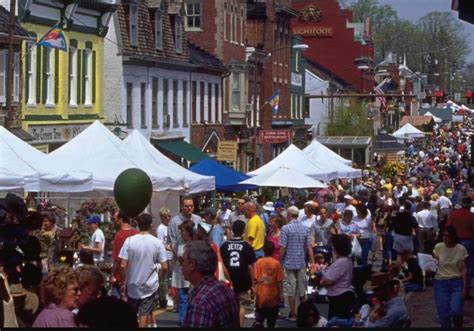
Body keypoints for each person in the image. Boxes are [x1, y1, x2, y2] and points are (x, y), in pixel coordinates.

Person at [119, 213, 168, 328]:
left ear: (138, 225)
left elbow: (122, 266)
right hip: (149, 285)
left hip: (132, 284)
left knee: (131, 314)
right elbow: (165, 266)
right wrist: (159, 278)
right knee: (144, 314)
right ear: (150, 225)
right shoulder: (157, 242)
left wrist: (123, 282)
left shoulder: (129, 241)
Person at [181, 240, 240, 327]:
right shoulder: (227, 291)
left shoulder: (200, 304)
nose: (181, 265)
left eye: (181, 261)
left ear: (192, 265)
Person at [279, 206, 315, 322]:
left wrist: (279, 261)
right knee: (302, 290)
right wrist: (313, 262)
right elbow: (309, 247)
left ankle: (293, 313)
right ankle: (304, 313)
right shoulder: (305, 228)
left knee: (290, 290)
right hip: (301, 262)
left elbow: (283, 247)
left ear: (289, 215)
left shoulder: (285, 228)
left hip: (289, 262)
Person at [220, 220, 257, 326]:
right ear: (243, 231)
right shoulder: (246, 246)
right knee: (241, 305)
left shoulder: (225, 245)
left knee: (229, 305)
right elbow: (251, 267)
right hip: (243, 279)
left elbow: (221, 263)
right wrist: (253, 284)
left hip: (228, 279)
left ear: (232, 230)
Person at [433, 226, 468, 328]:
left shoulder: (461, 249)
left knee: (456, 311)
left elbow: (464, 269)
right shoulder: (438, 247)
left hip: (456, 282)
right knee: (443, 313)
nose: (445, 238)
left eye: (447, 236)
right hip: (440, 282)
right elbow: (435, 263)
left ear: (453, 236)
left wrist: (465, 288)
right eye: (443, 235)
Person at [319, 234, 355, 319]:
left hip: (339, 297)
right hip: (341, 296)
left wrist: (322, 281)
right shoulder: (347, 260)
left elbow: (328, 281)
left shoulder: (341, 262)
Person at [446, 196, 474, 298]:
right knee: (469, 266)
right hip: (470, 241)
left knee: (455, 264)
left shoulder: (454, 214)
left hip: (457, 241)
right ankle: (465, 289)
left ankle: (456, 288)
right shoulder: (471, 216)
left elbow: (448, 227)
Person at [253, 241, 284, 328]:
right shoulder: (277, 264)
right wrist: (281, 294)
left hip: (261, 297)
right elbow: (279, 281)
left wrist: (253, 291)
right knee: (271, 323)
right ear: (273, 250)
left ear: (263, 250)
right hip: (273, 297)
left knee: (259, 321)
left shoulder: (258, 263)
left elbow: (255, 278)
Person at [110, 210, 138, 299]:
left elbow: (118, 261)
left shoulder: (119, 236)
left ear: (120, 220)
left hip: (122, 278)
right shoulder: (136, 233)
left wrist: (112, 274)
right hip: (135, 276)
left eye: (114, 219)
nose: (113, 222)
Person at [172, 219, 194, 325]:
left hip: (193, 273)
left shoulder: (194, 243)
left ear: (189, 231)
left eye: (183, 231)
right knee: (182, 297)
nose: (181, 233)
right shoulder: (179, 241)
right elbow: (174, 256)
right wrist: (172, 270)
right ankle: (182, 319)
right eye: (180, 231)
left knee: (192, 297)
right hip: (180, 273)